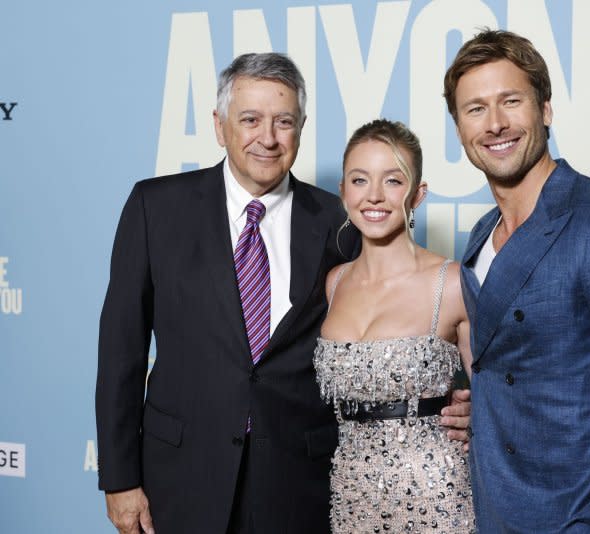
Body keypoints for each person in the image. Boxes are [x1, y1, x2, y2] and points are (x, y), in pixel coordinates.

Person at [96, 53, 471, 534]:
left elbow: (391, 332)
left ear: (301, 127)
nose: (267, 138)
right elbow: (120, 353)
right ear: (219, 124)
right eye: (250, 119)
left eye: (283, 122)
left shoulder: (342, 219)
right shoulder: (155, 207)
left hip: (301, 481)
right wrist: (121, 480)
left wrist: (461, 405)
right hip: (183, 476)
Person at [443, 29, 590, 533]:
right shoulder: (482, 235)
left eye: (511, 101)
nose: (496, 124)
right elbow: (505, 366)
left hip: (576, 516)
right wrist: (480, 414)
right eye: (476, 109)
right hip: (495, 507)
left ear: (544, 110)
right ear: (459, 127)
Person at [313, 118, 476, 533]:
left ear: (418, 194)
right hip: (351, 494)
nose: (374, 196)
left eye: (392, 181)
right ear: (343, 192)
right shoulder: (335, 283)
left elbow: (499, 400)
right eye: (360, 180)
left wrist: (479, 413)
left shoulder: (452, 282)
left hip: (436, 494)